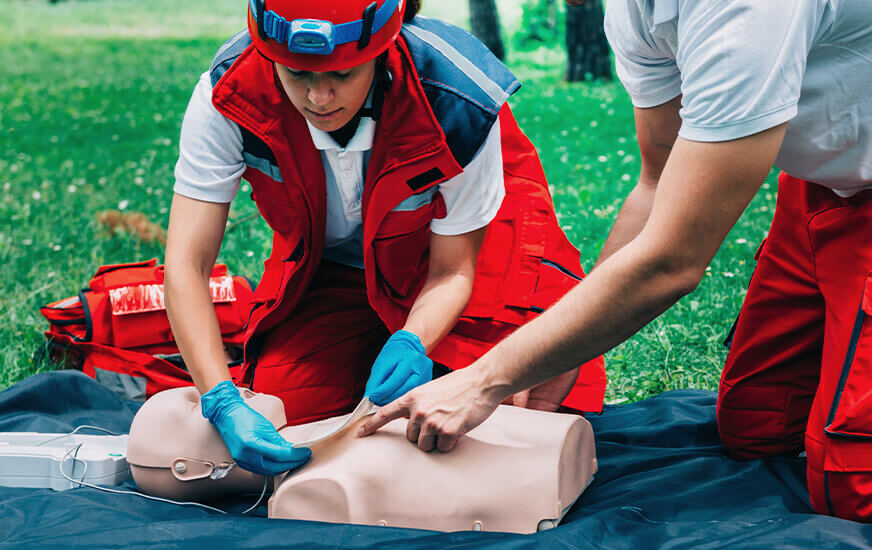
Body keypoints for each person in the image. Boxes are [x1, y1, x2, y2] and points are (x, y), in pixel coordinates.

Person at [360, 0, 872, 522]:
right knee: (755, 427)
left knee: (851, 489)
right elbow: (657, 183)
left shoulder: (745, 10)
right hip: (816, 191)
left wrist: (484, 379)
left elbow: (672, 260)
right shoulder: (638, 10)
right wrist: (563, 354)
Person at [164, 0, 607, 477]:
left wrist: (412, 340)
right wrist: (219, 397)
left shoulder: (458, 95)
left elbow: (453, 268)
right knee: (288, 413)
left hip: (476, 246)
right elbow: (186, 264)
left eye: (344, 73)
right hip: (333, 264)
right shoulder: (228, 94)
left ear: (384, 44)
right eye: (297, 74)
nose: (319, 97)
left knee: (505, 414)